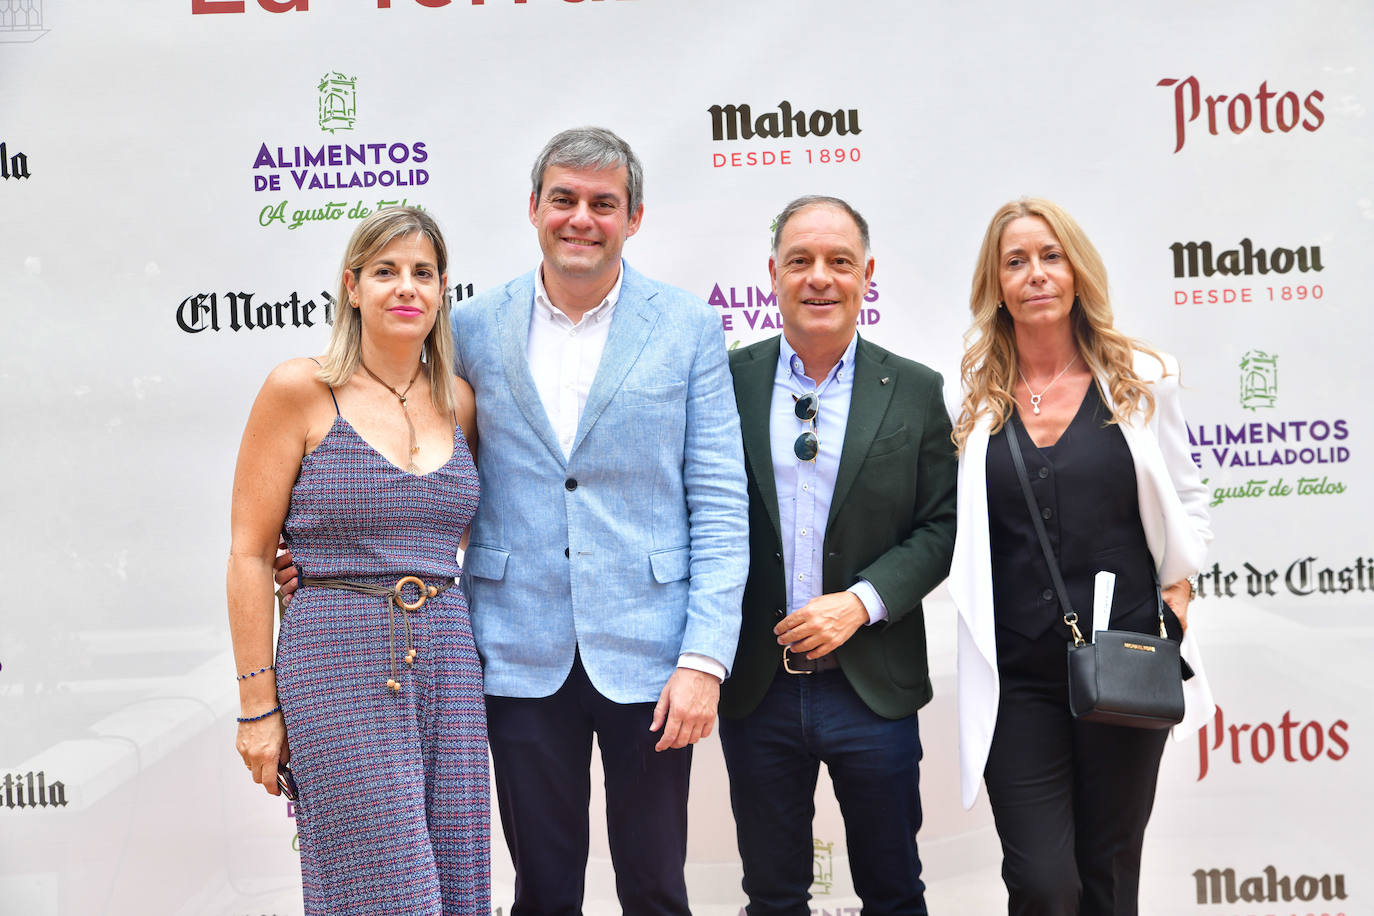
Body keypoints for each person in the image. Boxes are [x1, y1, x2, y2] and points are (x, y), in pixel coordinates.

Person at [453, 127, 748, 914]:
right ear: (534, 209)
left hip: (652, 655)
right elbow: (427, 466)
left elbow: (719, 504)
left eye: (603, 204)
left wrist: (704, 659)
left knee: (655, 887)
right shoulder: (472, 328)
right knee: (542, 890)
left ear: (634, 217)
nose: (581, 218)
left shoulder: (687, 327)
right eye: (565, 200)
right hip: (515, 647)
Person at [947, 197, 1215, 915]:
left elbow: (1190, 500)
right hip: (1018, 679)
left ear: (1075, 272)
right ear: (996, 284)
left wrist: (1177, 605)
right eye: (1016, 261)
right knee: (1041, 882)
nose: (1035, 273)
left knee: (1107, 876)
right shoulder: (973, 403)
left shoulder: (1142, 378)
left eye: (1050, 256)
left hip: (1124, 662)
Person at [228, 207, 489, 915]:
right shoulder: (300, 389)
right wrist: (258, 708)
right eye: (385, 271)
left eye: (423, 273)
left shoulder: (458, 401)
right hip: (335, 659)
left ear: (441, 291)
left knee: (459, 883)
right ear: (351, 286)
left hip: (449, 661)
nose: (406, 287)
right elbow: (250, 554)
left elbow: (453, 535)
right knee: (382, 892)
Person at [718, 195, 957, 916]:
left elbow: (941, 527)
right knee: (773, 895)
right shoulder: (726, 381)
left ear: (867, 275)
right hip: (757, 689)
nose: (819, 278)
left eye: (839, 262)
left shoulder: (915, 389)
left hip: (872, 688)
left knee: (892, 891)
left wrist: (860, 602)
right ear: (773, 274)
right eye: (801, 261)